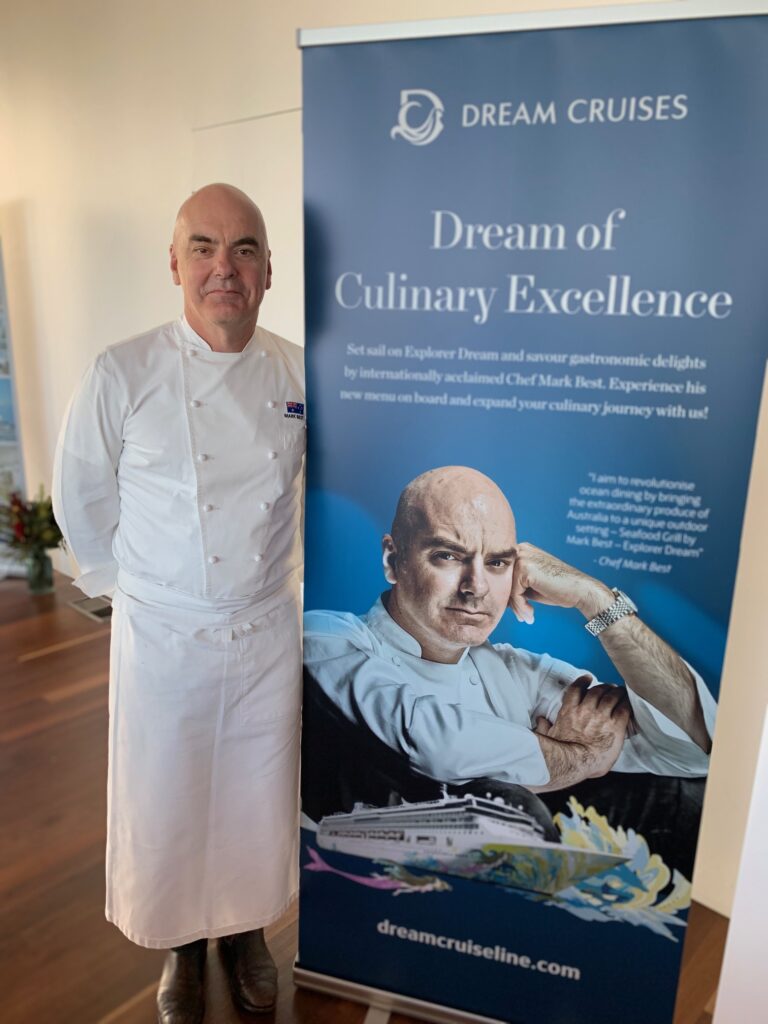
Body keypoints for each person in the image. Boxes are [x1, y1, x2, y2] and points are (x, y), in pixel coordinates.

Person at [53, 184, 305, 1024]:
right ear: (174, 264)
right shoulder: (121, 371)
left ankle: (243, 933)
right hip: (163, 634)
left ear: (268, 269)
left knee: (253, 798)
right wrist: (140, 595)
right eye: (204, 247)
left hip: (264, 626)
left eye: (243, 250)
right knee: (167, 799)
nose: (223, 268)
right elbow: (81, 498)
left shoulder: (299, 372)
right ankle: (181, 949)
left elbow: (318, 496)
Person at [303, 466, 716, 874]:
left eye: (497, 563)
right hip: (365, 883)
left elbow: (696, 751)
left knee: (684, 796)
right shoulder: (326, 637)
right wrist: (583, 758)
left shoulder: (516, 672)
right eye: (448, 556)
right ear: (393, 559)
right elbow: (434, 741)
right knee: (509, 810)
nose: (476, 586)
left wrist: (596, 600)